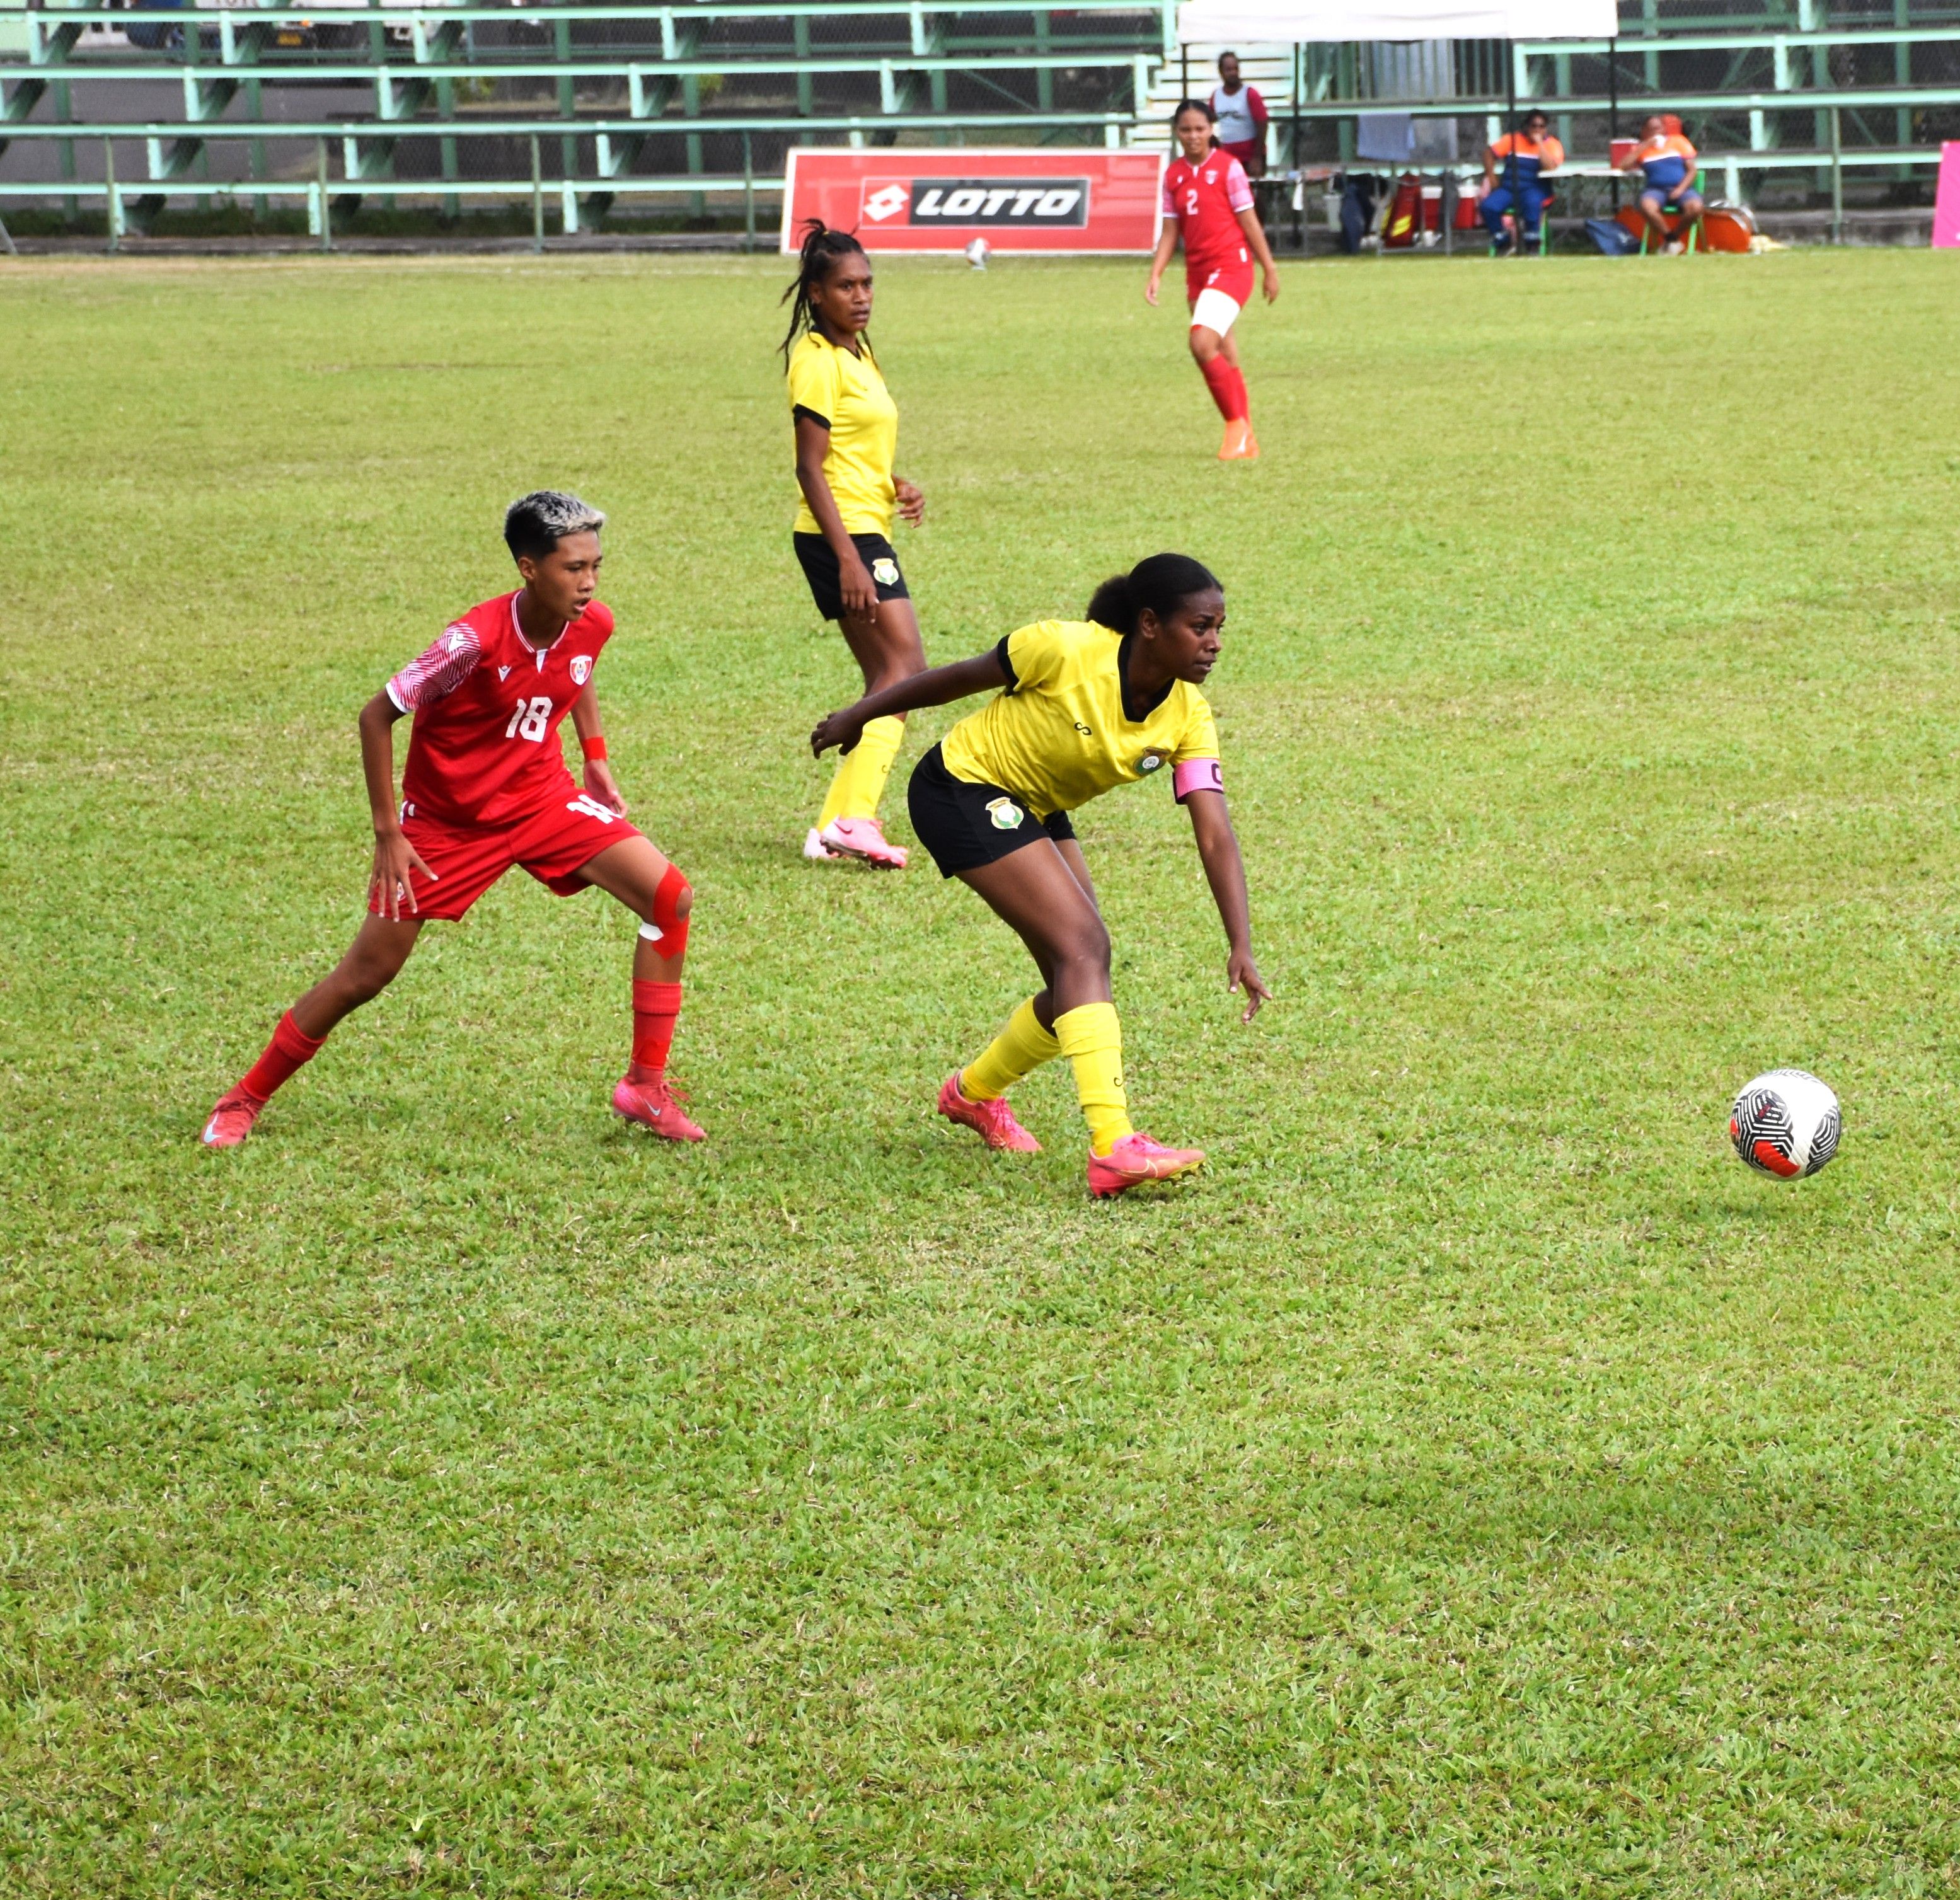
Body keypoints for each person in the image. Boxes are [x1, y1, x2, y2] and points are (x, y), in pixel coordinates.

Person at [201, 493, 703, 1149]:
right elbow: (375, 715)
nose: (588, 583)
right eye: (573, 568)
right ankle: (244, 1097)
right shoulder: (470, 642)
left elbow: (579, 670)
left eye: (596, 566)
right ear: (528, 567)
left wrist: (596, 758)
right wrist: (390, 831)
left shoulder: (592, 620)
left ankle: (644, 1086)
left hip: (541, 797)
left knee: (670, 896)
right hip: (448, 824)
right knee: (365, 974)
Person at [807, 554, 1265, 1200]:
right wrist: (863, 713)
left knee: (1075, 973)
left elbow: (1215, 831)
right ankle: (1114, 1145)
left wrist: (1240, 940)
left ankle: (973, 1094)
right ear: (1150, 624)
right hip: (959, 788)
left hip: (1035, 806)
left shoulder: (1189, 715)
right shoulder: (1063, 647)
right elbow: (950, 680)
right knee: (1085, 948)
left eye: (1220, 627)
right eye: (1200, 626)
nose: (1214, 643)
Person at [783, 222, 928, 870]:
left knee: (886, 675)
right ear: (817, 293)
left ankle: (829, 828)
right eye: (846, 286)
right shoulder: (815, 360)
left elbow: (854, 444)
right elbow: (810, 467)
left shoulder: (859, 351)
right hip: (842, 535)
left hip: (866, 524)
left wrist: (896, 482)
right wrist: (848, 557)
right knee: (907, 672)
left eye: (867, 283)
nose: (861, 295)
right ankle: (856, 815)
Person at [1143, 99, 1281, 464]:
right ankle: (1247, 439)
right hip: (1198, 273)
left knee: (1202, 342)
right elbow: (1171, 230)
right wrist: (1157, 272)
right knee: (1225, 352)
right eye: (1186, 130)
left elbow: (1249, 220)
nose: (1193, 136)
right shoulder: (1173, 175)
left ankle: (1234, 425)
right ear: (1177, 132)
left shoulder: (1228, 168)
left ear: (1212, 130)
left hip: (1232, 266)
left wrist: (1269, 268)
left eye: (1200, 129)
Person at [1482, 110, 1564, 256]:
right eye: (1534, 126)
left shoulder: (1552, 144)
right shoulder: (1511, 140)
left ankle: (1532, 246)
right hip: (1509, 189)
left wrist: (1540, 144)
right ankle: (1503, 242)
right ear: (1526, 126)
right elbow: (1489, 153)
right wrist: (1492, 177)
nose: (1537, 130)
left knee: (1532, 204)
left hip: (1536, 188)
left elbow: (1550, 167)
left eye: (1542, 126)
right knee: (1488, 207)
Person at [1634, 113, 1703, 255]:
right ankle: (1670, 239)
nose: (1656, 132)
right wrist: (1644, 146)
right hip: (1656, 190)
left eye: (1659, 129)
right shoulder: (1642, 149)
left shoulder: (1679, 142)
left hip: (1681, 189)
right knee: (1647, 207)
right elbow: (1623, 165)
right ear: (1645, 131)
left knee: (1696, 208)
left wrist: (1680, 190)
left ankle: (1674, 237)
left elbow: (1692, 171)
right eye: (1652, 129)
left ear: (1664, 129)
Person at [1209, 49, 1267, 176]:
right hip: (1227, 158)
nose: (1233, 73)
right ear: (1221, 72)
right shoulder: (1216, 95)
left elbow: (1262, 123)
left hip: (1250, 158)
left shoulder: (1250, 94)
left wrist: (1257, 157)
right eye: (1229, 70)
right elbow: (1207, 120)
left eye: (1236, 69)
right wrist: (1215, 144)